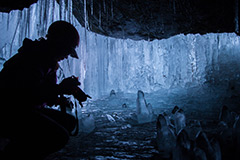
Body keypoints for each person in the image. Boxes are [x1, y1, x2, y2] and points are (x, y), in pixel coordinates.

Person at [0, 21, 88, 159]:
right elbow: (28, 94)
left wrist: (60, 98)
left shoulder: (47, 61)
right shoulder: (32, 58)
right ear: (58, 44)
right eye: (66, 51)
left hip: (23, 109)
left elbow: (44, 94)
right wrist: (60, 89)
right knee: (58, 136)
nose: (66, 56)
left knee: (69, 122)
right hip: (8, 111)